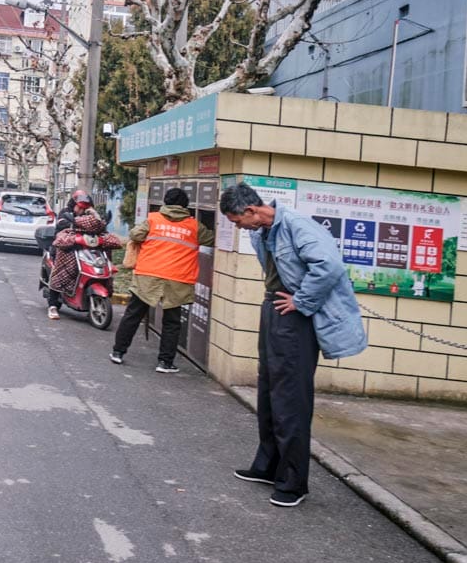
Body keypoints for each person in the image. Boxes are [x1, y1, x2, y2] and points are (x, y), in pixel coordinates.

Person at [220, 182, 366, 508]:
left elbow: (329, 266)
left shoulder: (297, 225)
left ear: (250, 210)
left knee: (290, 398)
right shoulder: (261, 232)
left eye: (237, 221)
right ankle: (268, 466)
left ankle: (293, 482)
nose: (238, 227)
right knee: (268, 391)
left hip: (295, 318)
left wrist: (302, 301)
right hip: (274, 308)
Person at [110, 187, 214, 373]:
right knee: (172, 322)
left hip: (148, 275)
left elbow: (134, 235)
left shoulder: (153, 220)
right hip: (177, 278)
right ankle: (165, 363)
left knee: (133, 315)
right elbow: (211, 239)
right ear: (185, 205)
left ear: (165, 202)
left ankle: (118, 352)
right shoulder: (194, 226)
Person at [46, 190, 121, 320]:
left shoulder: (91, 216)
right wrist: (74, 234)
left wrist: (95, 215)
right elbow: (61, 228)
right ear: (73, 204)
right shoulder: (66, 213)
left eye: (85, 207)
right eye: (79, 207)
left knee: (105, 266)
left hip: (87, 251)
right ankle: (52, 305)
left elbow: (101, 229)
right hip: (67, 248)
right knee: (63, 272)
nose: (81, 210)